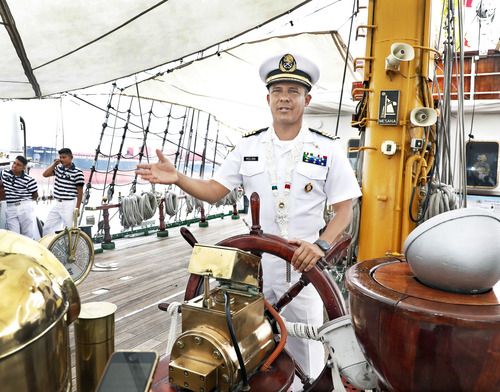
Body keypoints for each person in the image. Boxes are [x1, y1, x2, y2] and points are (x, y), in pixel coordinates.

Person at [135, 53, 361, 388]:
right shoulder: (247, 145)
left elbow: (345, 208)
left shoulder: (327, 149)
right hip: (253, 270)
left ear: (306, 99)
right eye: (278, 90)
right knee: (249, 343)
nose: (285, 97)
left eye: (293, 91)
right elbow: (214, 191)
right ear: (268, 98)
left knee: (308, 345)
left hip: (303, 265)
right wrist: (178, 178)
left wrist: (321, 245)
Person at [42, 148, 85, 235]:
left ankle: (72, 248)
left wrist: (78, 208)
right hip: (58, 203)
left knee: (71, 230)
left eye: (64, 157)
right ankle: (49, 247)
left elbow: (80, 192)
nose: (61, 160)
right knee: (47, 227)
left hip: (69, 204)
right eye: (60, 157)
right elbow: (45, 174)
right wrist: (54, 164)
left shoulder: (78, 173)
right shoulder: (58, 168)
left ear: (71, 157)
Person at [0, 155, 38, 238]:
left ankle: (28, 250)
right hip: (10, 208)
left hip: (25, 207)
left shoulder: (30, 180)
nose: (14, 166)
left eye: (18, 165)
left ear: (23, 168)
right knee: (13, 235)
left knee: (27, 235)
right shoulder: (4, 174)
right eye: (14, 163)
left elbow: (35, 196)